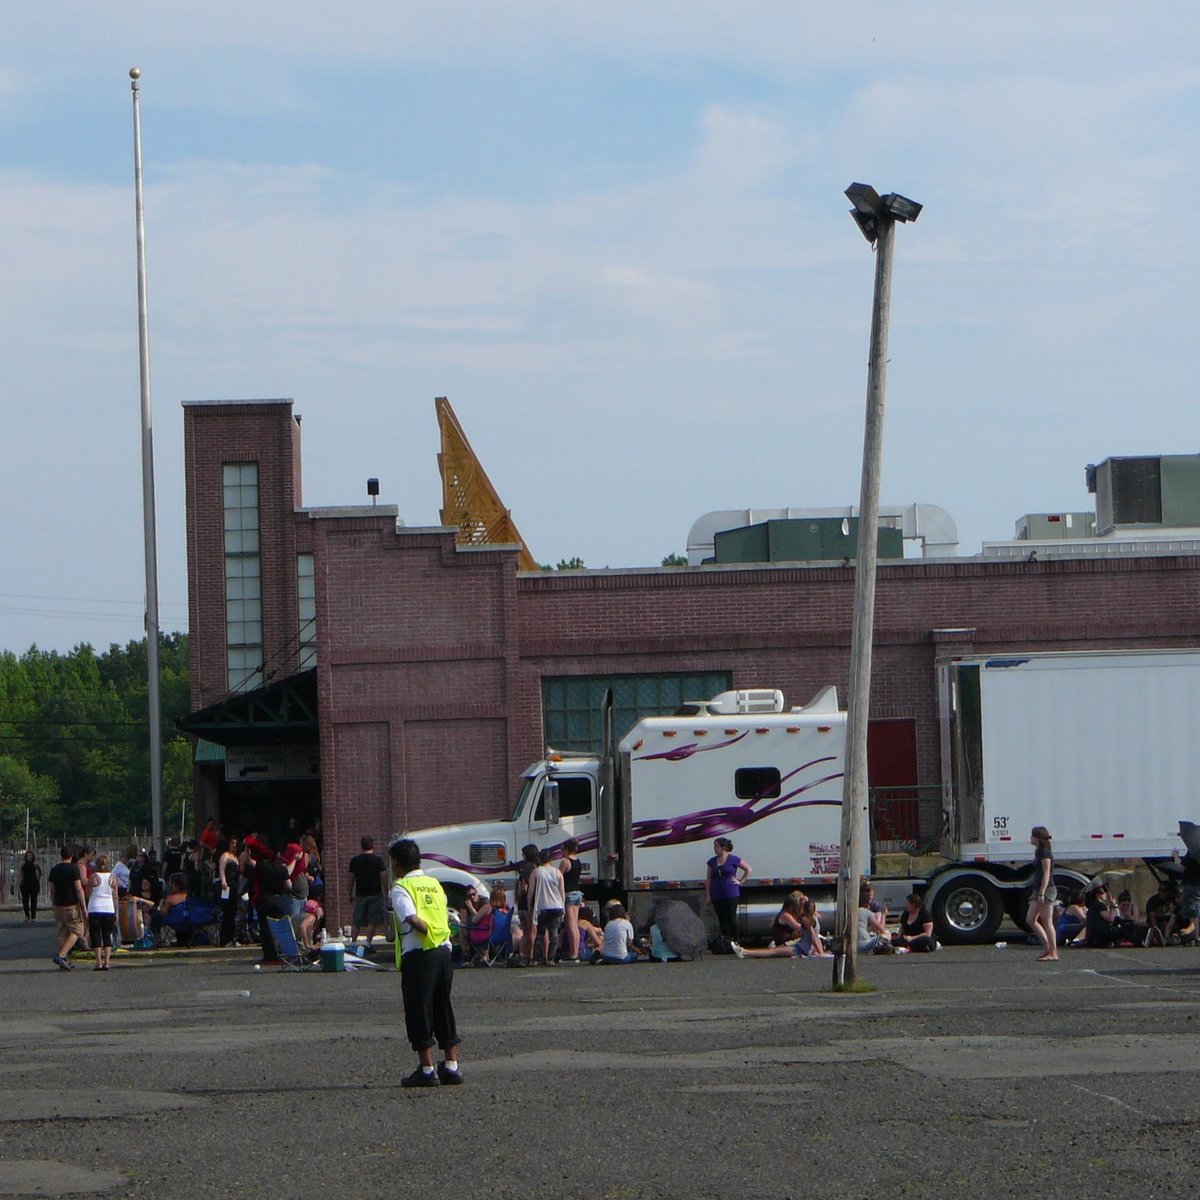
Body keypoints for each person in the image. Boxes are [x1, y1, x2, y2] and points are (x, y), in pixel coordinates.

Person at [388, 838, 463, 1088]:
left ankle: (427, 1068)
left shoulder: (401, 887)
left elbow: (410, 917)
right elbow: (446, 915)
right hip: (443, 950)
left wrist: (427, 932)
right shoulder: (434, 884)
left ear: (397, 863)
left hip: (420, 954)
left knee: (419, 1009)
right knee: (443, 1006)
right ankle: (452, 1066)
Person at [730, 892, 812, 959]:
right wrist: (806, 906)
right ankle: (744, 952)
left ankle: (745, 952)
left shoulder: (791, 914)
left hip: (792, 942)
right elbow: (802, 928)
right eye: (800, 904)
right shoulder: (786, 915)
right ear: (794, 905)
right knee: (772, 952)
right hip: (785, 942)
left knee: (772, 952)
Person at [706, 837, 750, 949]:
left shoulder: (733, 859)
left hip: (731, 893)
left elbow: (748, 869)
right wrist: (708, 894)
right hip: (717, 893)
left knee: (731, 918)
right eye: (714, 846)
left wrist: (740, 881)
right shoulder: (712, 862)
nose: (715, 849)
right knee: (722, 919)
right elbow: (709, 879)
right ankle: (726, 942)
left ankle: (736, 942)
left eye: (716, 846)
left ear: (723, 848)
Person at [48, 845, 87, 970]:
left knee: (63, 932)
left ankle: (63, 961)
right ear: (71, 856)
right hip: (71, 904)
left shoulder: (54, 869)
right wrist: (84, 906)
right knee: (77, 931)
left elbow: (52, 889)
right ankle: (62, 955)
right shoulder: (73, 869)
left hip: (58, 904)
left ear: (61, 855)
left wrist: (53, 902)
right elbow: (78, 888)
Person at [347, 836, 387, 953]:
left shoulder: (355, 861)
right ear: (372, 846)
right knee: (372, 921)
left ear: (361, 846)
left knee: (357, 921)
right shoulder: (378, 860)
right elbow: (383, 877)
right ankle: (368, 944)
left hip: (360, 894)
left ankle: (353, 943)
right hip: (375, 894)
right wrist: (388, 890)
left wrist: (349, 893)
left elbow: (351, 879)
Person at [1027, 826, 1058, 962]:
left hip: (1046, 889)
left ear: (1038, 838)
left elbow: (1046, 874)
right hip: (1037, 889)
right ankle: (1047, 948)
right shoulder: (1038, 852)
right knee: (1030, 919)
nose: (1030, 838)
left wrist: (1041, 893)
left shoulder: (1045, 853)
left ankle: (1053, 952)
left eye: (1032, 836)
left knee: (1047, 921)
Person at [87, 854, 119, 971]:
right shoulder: (113, 878)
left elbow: (88, 893)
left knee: (95, 934)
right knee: (107, 935)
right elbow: (115, 896)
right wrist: (116, 911)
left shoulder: (93, 877)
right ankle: (107, 962)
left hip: (94, 908)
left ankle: (98, 962)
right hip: (108, 908)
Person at [514, 843, 540, 964]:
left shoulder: (524, 869)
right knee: (532, 931)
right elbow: (524, 888)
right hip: (529, 904)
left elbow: (519, 889)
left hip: (521, 905)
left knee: (525, 932)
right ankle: (531, 956)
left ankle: (522, 955)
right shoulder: (532, 869)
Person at [559, 837, 584, 961]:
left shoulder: (565, 862)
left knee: (571, 925)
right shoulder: (578, 861)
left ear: (567, 849)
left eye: (562, 849)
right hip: (578, 893)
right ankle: (576, 951)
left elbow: (558, 877)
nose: (561, 851)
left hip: (568, 894)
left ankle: (573, 954)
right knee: (575, 924)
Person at [216, 836, 242, 947]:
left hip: (236, 885)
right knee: (227, 912)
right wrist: (223, 881)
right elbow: (221, 869)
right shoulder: (225, 855)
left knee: (233, 912)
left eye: (236, 843)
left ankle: (232, 937)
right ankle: (224, 939)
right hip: (227, 885)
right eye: (232, 842)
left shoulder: (236, 857)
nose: (234, 845)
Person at [1084, 880, 1120, 948]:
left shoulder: (1093, 904)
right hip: (1098, 936)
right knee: (1122, 932)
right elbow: (1110, 919)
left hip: (1093, 936)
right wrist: (1112, 906)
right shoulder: (1099, 905)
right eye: (1104, 893)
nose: (1106, 894)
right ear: (1098, 895)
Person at [857, 884, 888, 954]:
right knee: (884, 936)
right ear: (866, 904)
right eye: (868, 896)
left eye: (871, 895)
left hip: (851, 943)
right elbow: (881, 929)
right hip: (864, 941)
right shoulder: (867, 911)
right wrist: (884, 916)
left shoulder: (850, 911)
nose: (870, 897)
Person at [19, 850, 42, 923]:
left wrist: (38, 879)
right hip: (25, 883)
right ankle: (27, 915)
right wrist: (21, 880)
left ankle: (33, 917)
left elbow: (40, 872)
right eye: (28, 856)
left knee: (34, 900)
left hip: (34, 883)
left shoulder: (35, 864)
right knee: (25, 900)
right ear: (25, 856)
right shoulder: (23, 864)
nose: (29, 857)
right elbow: (20, 873)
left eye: (30, 856)